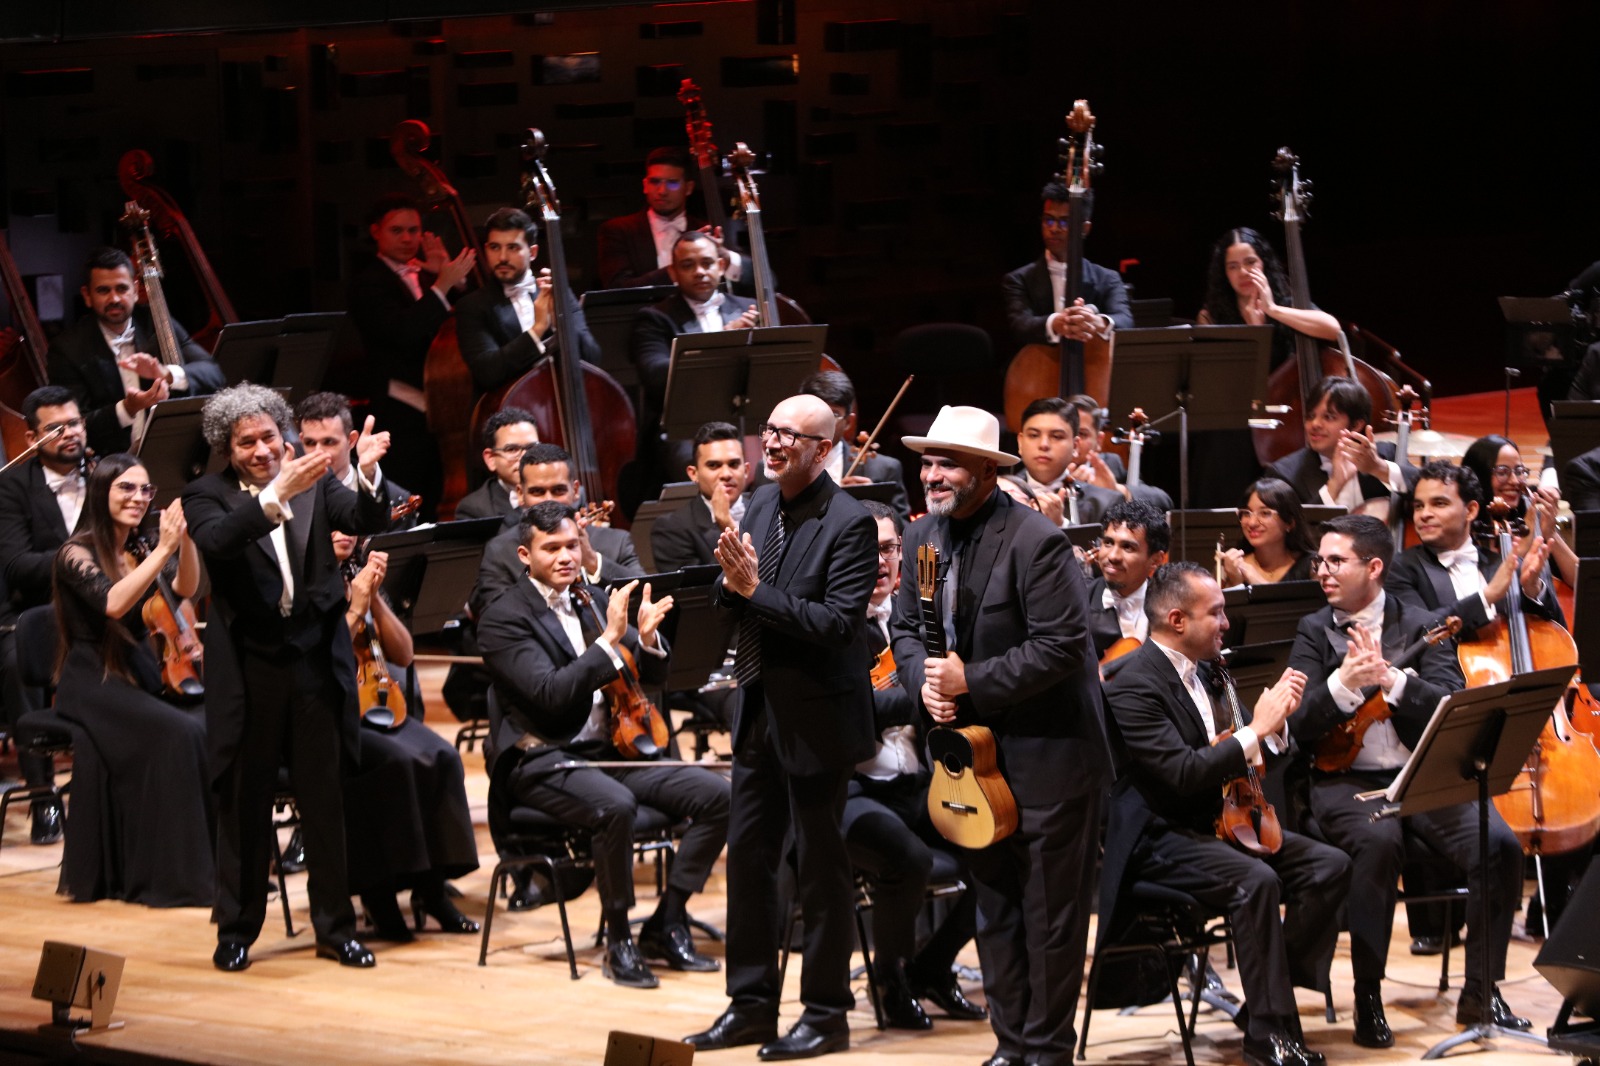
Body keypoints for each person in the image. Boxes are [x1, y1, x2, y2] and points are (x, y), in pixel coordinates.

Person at [889, 405, 1112, 1066]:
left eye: (948, 461)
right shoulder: (920, 537)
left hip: (1050, 757)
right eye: (927, 460)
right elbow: (904, 628)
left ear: (986, 470)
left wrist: (969, 680)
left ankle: (1047, 1050)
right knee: (993, 907)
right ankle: (1012, 1044)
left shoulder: (1034, 540)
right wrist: (922, 682)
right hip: (970, 759)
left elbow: (1063, 647)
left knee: (1050, 916)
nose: (932, 473)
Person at [1286, 514, 1529, 1045]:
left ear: (1373, 567)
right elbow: (1298, 724)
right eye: (1319, 561)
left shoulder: (1423, 624)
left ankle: (1482, 991)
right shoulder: (1313, 629)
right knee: (1377, 844)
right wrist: (1343, 688)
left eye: (1335, 561)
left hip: (1421, 777)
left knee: (1499, 844)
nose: (1321, 571)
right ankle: (1368, 996)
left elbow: (1447, 703)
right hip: (1343, 780)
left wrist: (1393, 681)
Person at [685, 394, 878, 1059]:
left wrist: (751, 591)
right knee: (750, 862)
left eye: (790, 435)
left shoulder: (851, 522)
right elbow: (731, 597)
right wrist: (730, 582)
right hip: (759, 706)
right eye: (769, 430)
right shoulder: (759, 504)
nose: (772, 443)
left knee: (819, 872)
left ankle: (826, 1014)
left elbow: (835, 625)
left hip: (819, 719)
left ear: (824, 449)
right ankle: (750, 1006)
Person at [1101, 563, 1349, 1066]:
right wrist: (1257, 729)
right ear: (1177, 620)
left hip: (1222, 822)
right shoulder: (1130, 684)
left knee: (1330, 867)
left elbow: (1240, 748)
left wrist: (1273, 728)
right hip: (1159, 835)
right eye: (1215, 613)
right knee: (1256, 882)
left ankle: (1263, 1003)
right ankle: (1268, 1037)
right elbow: (1184, 773)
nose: (1226, 623)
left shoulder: (1214, 667)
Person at [183, 383, 391, 972]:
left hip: (312, 661)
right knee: (244, 804)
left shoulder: (320, 481)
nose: (259, 449)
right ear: (228, 447)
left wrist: (369, 476)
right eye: (245, 441)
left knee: (324, 801)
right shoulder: (207, 495)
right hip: (251, 668)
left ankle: (335, 927)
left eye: (268, 437)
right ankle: (237, 929)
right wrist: (278, 492)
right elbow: (220, 542)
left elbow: (364, 517)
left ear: (284, 435)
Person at [478, 501, 730, 987]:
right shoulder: (502, 618)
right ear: (525, 555)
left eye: (572, 545)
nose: (566, 557)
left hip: (609, 753)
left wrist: (651, 641)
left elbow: (652, 677)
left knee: (719, 794)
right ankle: (619, 940)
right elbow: (551, 695)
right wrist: (610, 641)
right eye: (551, 548)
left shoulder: (590, 599)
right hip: (541, 759)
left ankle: (667, 919)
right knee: (616, 808)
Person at [842, 500, 983, 1031]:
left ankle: (932, 966)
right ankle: (890, 978)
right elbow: (856, 712)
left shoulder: (917, 624)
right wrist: (925, 693)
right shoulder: (832, 626)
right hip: (851, 792)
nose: (879, 562)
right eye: (864, 550)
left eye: (887, 548)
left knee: (994, 856)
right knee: (909, 860)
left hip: (915, 784)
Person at [52, 453, 214, 906]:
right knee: (180, 733)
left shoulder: (139, 549)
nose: (138, 498)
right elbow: (114, 604)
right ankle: (178, 879)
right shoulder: (75, 552)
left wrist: (184, 541)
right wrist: (162, 549)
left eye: (145, 490)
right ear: (102, 492)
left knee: (207, 722)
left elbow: (186, 587)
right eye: (126, 487)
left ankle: (218, 865)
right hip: (92, 682)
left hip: (138, 670)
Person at [331, 534, 480, 940]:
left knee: (442, 755)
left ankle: (432, 892)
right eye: (334, 527)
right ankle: (378, 898)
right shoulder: (308, 585)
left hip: (378, 704)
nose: (344, 535)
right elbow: (322, 659)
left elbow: (404, 654)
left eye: (350, 529)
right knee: (395, 764)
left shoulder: (355, 578)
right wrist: (354, 609)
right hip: (330, 714)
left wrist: (375, 599)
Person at [345, 193, 477, 521]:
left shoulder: (429, 275)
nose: (408, 239)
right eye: (397, 230)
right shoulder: (367, 283)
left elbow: (472, 320)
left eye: (414, 230)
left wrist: (455, 281)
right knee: (410, 504)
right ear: (376, 231)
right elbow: (402, 332)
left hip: (446, 409)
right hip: (401, 414)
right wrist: (441, 287)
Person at [0, 386, 88, 844]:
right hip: (38, 614)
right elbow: (17, 565)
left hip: (106, 610)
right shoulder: (12, 488)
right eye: (55, 427)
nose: (69, 433)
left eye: (74, 423)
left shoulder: (109, 474)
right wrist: (82, 556)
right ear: (33, 436)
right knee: (17, 664)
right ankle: (42, 797)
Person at [46, 247, 226, 458]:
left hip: (171, 453)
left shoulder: (157, 323)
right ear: (87, 296)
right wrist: (127, 408)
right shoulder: (67, 349)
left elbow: (214, 373)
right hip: (110, 463)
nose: (114, 299)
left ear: (135, 289)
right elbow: (74, 425)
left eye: (121, 289)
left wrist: (167, 373)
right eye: (103, 290)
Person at [629, 231, 759, 494]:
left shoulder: (750, 309)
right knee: (691, 465)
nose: (699, 271)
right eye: (688, 266)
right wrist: (719, 344)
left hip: (745, 422)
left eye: (707, 263)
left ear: (721, 266)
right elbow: (655, 375)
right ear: (674, 272)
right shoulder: (654, 318)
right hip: (685, 429)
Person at [470, 443, 644, 618]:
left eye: (558, 490)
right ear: (520, 494)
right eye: (537, 492)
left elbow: (648, 597)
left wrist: (591, 560)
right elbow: (498, 620)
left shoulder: (617, 542)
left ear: (575, 491)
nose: (549, 501)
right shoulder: (499, 551)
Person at [1387, 460, 1561, 634]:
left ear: (1470, 511)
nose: (1424, 514)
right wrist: (1487, 596)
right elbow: (1418, 632)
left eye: (1439, 503)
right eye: (1419, 506)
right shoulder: (1401, 569)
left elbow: (1559, 630)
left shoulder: (1504, 565)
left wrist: (1533, 590)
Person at [453, 206, 601, 397]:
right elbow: (487, 372)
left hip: (559, 405)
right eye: (495, 247)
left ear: (532, 252)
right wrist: (537, 328)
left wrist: (561, 324)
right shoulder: (472, 307)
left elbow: (592, 357)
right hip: (507, 414)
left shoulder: (557, 291)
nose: (502, 257)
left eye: (513, 248)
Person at [596, 147, 749, 292]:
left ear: (688, 188)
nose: (662, 191)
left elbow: (756, 282)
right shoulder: (617, 231)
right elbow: (616, 289)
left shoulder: (708, 231)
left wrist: (726, 257)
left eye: (672, 183)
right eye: (655, 182)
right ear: (645, 186)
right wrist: (675, 269)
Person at [1001, 183, 1132, 350]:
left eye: (1064, 222)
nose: (1054, 229)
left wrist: (1096, 322)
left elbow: (1125, 320)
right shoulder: (1019, 279)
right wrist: (1055, 323)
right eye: (1048, 220)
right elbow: (1020, 326)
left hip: (1091, 369)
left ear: (1085, 228)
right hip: (1037, 369)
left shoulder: (1107, 278)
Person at [1266, 376, 1413, 518]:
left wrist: (1377, 468)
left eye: (1328, 417)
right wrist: (1334, 485)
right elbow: (1294, 535)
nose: (1314, 424)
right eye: (1310, 416)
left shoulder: (1386, 454)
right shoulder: (1284, 474)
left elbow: (1426, 489)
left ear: (1356, 425)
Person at [1196, 227, 1341, 367]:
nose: (1243, 272)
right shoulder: (1211, 317)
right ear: (1225, 274)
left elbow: (1333, 329)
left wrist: (1272, 309)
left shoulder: (1284, 304)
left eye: (1250, 262)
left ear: (1263, 264)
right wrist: (1257, 334)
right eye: (1233, 266)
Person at [1461, 434, 1577, 588]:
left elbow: (1579, 580)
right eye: (1502, 472)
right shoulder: (1464, 522)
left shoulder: (1529, 511)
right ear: (1480, 475)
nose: (1515, 481)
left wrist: (1550, 533)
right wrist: (1523, 548)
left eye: (1519, 471)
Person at [295, 392, 418, 531]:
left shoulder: (396, 499)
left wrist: (368, 470)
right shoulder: (291, 495)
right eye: (310, 443)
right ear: (300, 441)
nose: (318, 452)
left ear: (351, 440)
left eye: (329, 442)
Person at [798, 370, 911, 517]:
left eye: (834, 414)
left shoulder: (884, 469)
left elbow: (903, 531)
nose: (822, 421)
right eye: (813, 412)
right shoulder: (775, 466)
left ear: (848, 422)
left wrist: (873, 504)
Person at [650, 420, 749, 571]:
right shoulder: (671, 529)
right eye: (714, 465)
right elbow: (701, 589)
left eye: (734, 464)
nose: (726, 474)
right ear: (693, 473)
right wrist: (727, 525)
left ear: (746, 470)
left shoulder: (772, 510)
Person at [1015, 396, 1122, 526]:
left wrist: (1061, 524)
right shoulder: (1001, 493)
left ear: (1075, 446)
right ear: (1020, 443)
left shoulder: (1106, 502)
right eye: (1034, 435)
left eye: (1057, 436)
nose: (1043, 444)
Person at [1086, 499, 1168, 665]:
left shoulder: (1170, 605)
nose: (1113, 556)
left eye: (1128, 547)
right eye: (1108, 543)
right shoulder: (1078, 602)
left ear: (1156, 559)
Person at [1217, 478, 1318, 586]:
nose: (1252, 523)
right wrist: (1236, 582)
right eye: (1246, 513)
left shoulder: (1314, 566)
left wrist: (1255, 579)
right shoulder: (1230, 566)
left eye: (1265, 513)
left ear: (1290, 522)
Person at [452, 407, 541, 520]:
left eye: (532, 447)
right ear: (491, 459)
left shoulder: (561, 491)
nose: (525, 457)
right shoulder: (473, 509)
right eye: (512, 449)